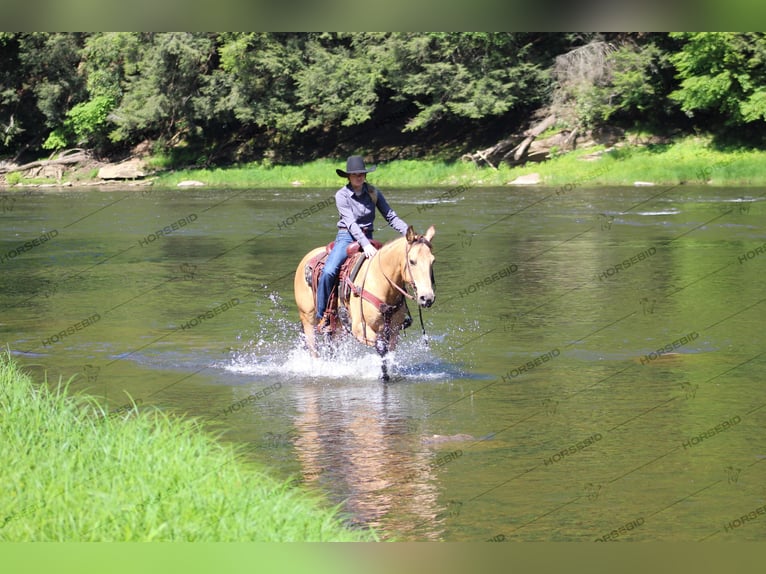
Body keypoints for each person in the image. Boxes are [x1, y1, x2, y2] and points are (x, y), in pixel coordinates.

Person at [315, 155, 409, 332]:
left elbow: (390, 216)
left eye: (362, 174)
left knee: (395, 267)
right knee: (329, 271)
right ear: (348, 176)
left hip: (370, 237)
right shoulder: (341, 195)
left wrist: (409, 233)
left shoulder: (373, 193)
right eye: (355, 174)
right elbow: (350, 223)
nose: (359, 177)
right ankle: (324, 315)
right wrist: (365, 245)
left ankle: (400, 312)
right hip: (347, 237)